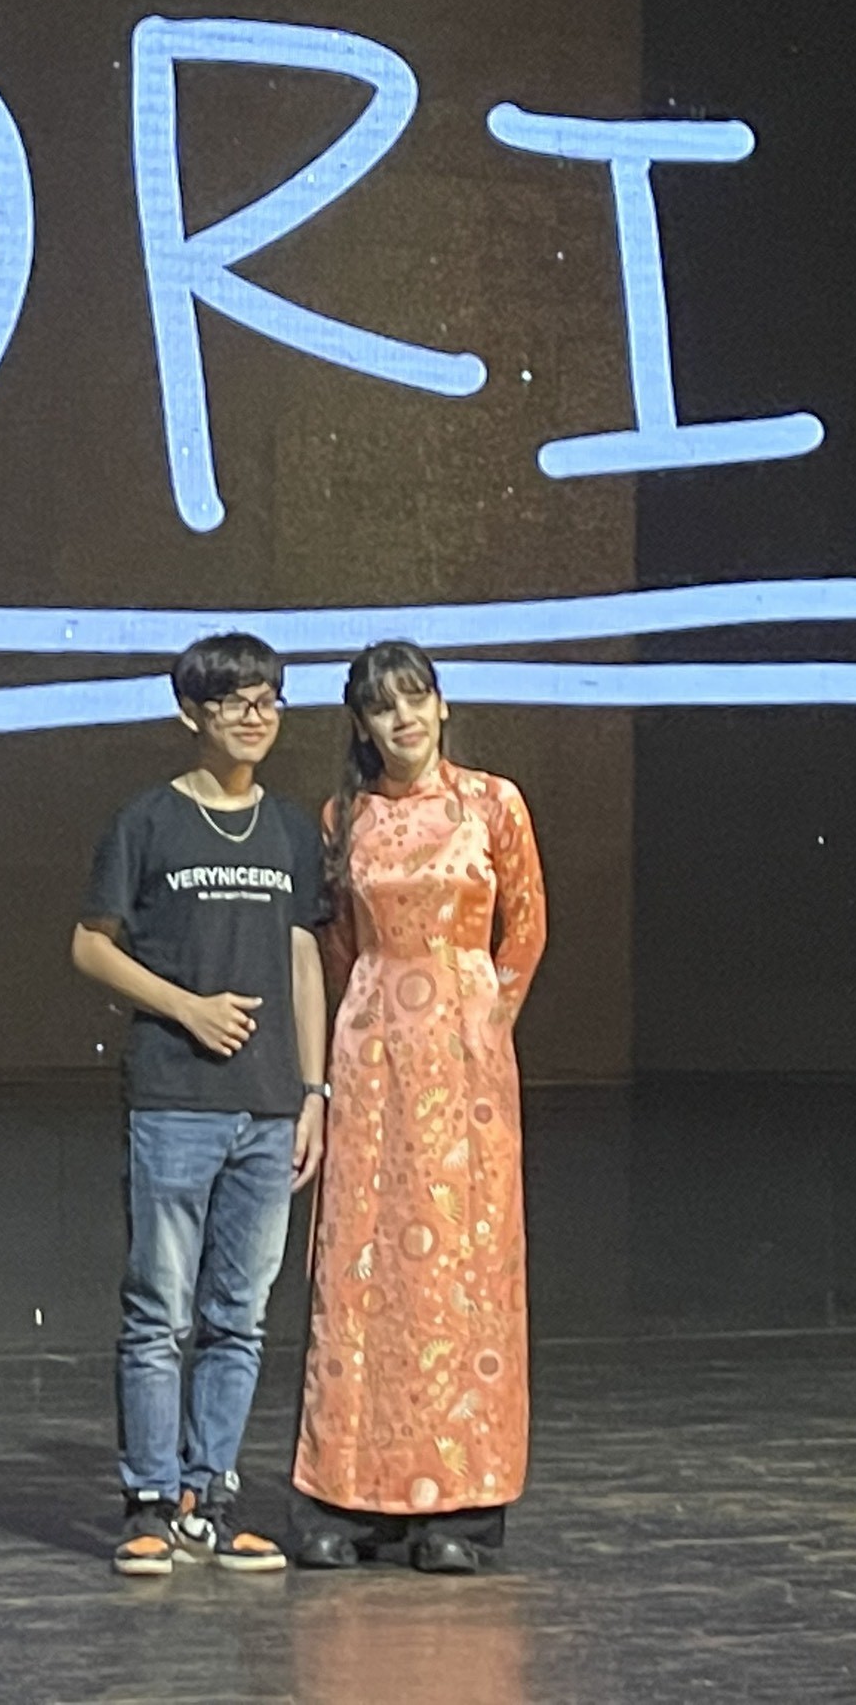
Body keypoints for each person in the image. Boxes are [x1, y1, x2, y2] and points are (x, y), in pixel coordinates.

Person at [71, 632, 330, 1576]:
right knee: (159, 1312)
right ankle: (148, 1502)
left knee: (239, 1317)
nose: (255, 717)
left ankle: (208, 1500)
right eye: (233, 702)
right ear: (191, 714)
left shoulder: (292, 830)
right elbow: (90, 946)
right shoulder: (148, 821)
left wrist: (314, 1090)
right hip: (176, 1099)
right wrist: (186, 1007)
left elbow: (304, 957)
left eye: (268, 700)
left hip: (268, 1108)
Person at [291, 640, 546, 1574]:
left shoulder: (493, 804)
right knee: (361, 1269)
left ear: (441, 706)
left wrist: (482, 1021)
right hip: (372, 1058)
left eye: (414, 699)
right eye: (381, 706)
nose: (401, 718)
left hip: (466, 1061)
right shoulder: (344, 817)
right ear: (361, 724)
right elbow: (338, 948)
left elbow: (527, 929)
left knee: (463, 1272)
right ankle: (348, 1497)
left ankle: (461, 1510)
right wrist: (360, 1032)